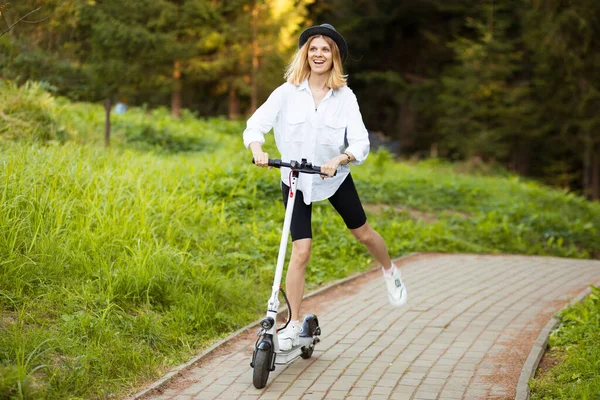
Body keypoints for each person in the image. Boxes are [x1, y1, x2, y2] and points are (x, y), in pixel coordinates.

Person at [243, 23, 407, 351]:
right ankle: (290, 324)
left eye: (326, 50)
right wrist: (258, 149)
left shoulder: (344, 98)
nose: (319, 54)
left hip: (332, 179)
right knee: (301, 251)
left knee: (363, 234)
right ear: (306, 54)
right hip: (294, 178)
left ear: (334, 58)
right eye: (314, 49)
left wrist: (341, 158)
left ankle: (389, 270)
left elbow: (360, 142)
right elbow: (255, 126)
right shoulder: (286, 92)